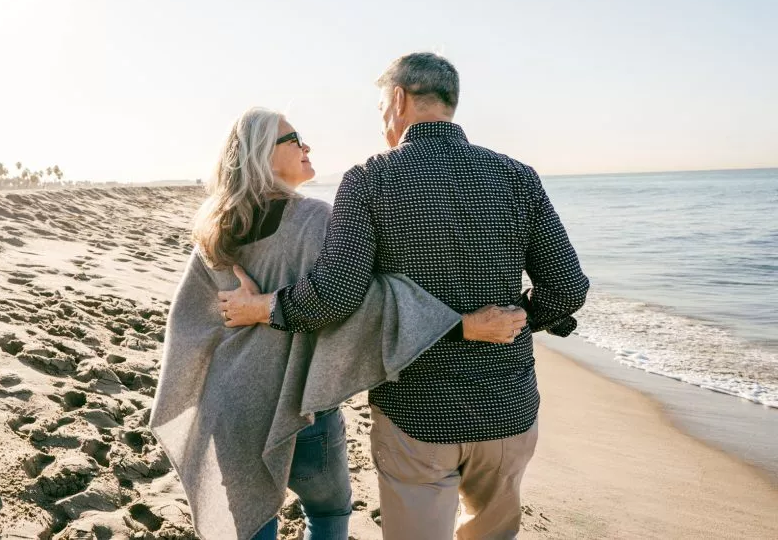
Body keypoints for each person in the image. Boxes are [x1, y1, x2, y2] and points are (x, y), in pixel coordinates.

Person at [219, 53, 590, 540]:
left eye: (379, 109)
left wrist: (265, 307)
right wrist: (520, 316)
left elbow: (335, 296)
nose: (381, 124)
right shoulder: (518, 176)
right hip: (508, 407)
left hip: (417, 411)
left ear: (398, 100)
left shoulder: (370, 178)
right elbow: (568, 288)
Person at [150, 107, 525, 540]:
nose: (306, 146)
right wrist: (461, 324)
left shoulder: (214, 227)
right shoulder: (314, 219)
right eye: (294, 140)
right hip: (302, 406)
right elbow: (360, 302)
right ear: (262, 156)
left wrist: (241, 323)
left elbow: (188, 322)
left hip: (230, 406)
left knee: (250, 523)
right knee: (328, 513)